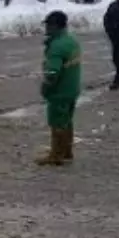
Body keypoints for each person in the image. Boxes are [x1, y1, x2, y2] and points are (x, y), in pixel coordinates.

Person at [36, 10, 82, 166]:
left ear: (55, 26)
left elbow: (52, 72)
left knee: (57, 122)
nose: (46, 28)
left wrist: (45, 87)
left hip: (59, 91)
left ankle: (56, 155)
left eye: (48, 25)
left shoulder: (56, 46)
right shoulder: (71, 41)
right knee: (67, 120)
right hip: (72, 88)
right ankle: (67, 151)